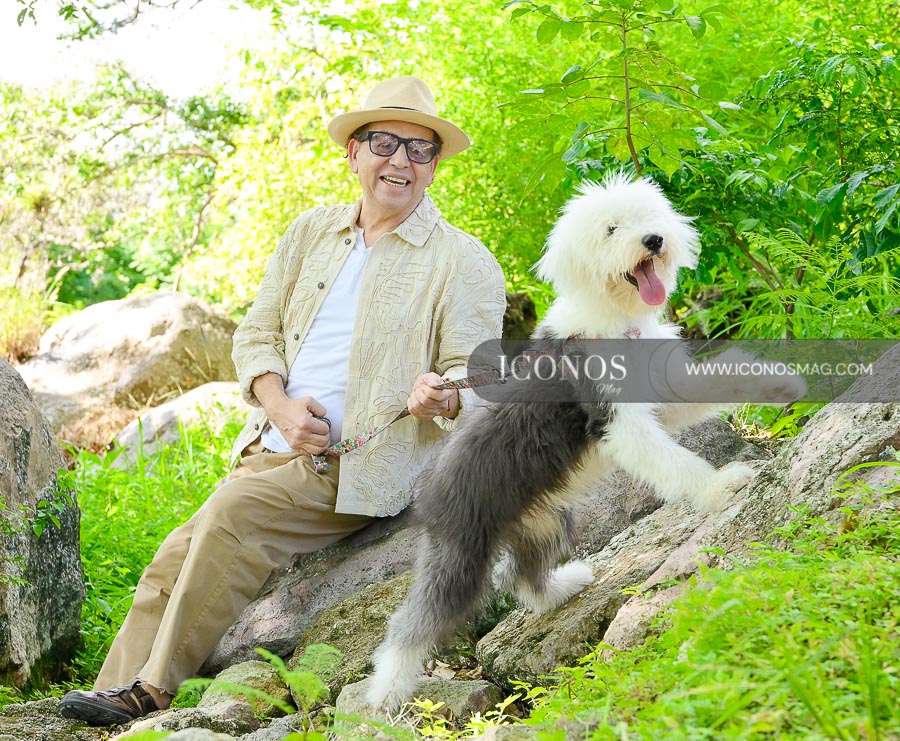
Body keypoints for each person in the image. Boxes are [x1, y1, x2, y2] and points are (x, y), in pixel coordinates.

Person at [59, 76, 506, 726]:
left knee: (231, 516)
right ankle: (109, 695)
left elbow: (476, 377)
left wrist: (441, 394)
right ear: (354, 152)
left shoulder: (463, 262)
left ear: (435, 165)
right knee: (169, 562)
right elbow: (256, 333)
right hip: (268, 448)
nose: (401, 162)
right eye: (386, 143)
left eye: (420, 150)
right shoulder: (311, 233)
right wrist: (279, 405)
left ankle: (152, 691)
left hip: (355, 468)